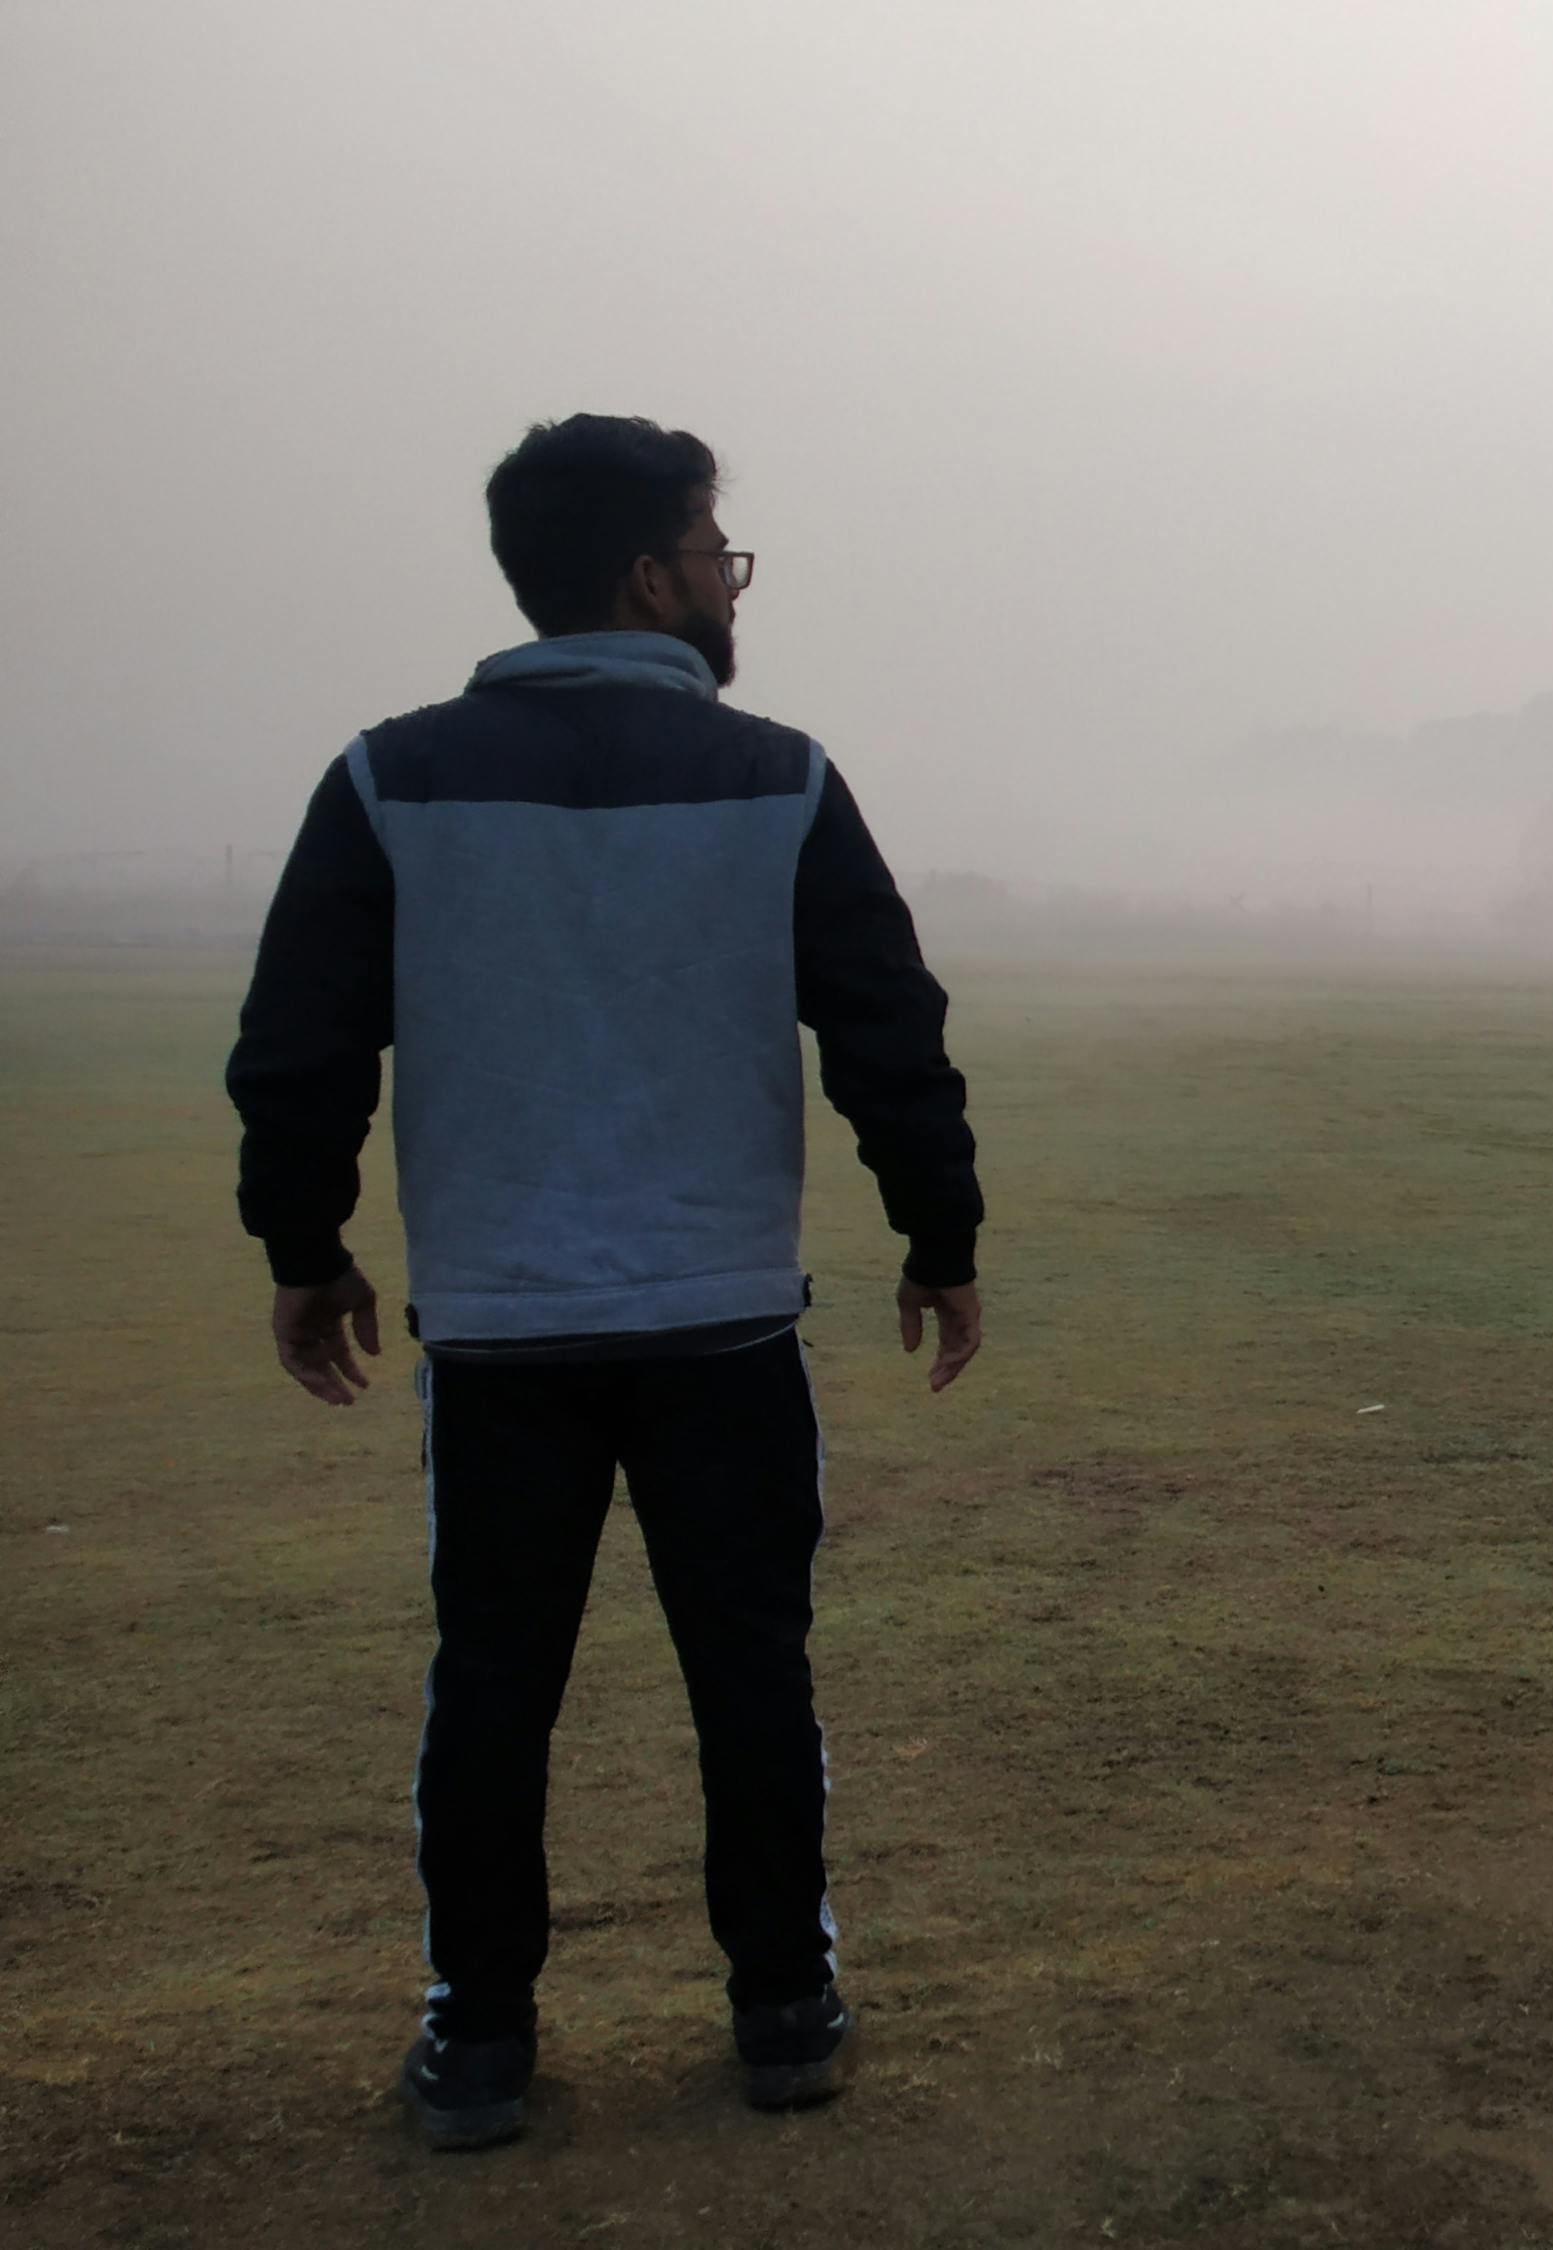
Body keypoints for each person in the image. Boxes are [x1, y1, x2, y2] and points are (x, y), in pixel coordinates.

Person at [223, 413, 984, 2151]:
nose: (733, 580)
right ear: (650, 577)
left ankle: (479, 2039)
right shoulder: (780, 777)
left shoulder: (391, 779)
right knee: (751, 1673)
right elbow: (888, 1025)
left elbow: (300, 1047)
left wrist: (304, 1247)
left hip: (501, 1328)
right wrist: (939, 1235)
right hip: (721, 1320)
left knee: (493, 1685)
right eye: (717, 549)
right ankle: (782, 2005)